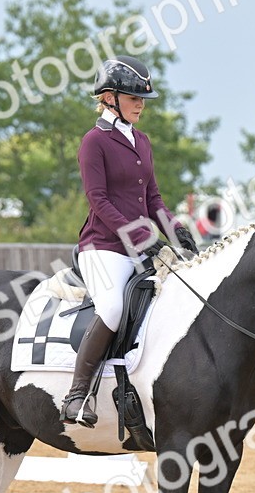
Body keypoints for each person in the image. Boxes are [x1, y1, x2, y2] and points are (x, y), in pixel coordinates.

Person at [60, 56, 198, 427]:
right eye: (133, 97)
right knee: (112, 309)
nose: (140, 104)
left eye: (142, 98)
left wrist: (175, 229)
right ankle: (76, 396)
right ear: (109, 97)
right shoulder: (94, 142)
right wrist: (139, 234)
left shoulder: (142, 141)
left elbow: (153, 199)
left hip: (141, 247)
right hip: (103, 247)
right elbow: (98, 200)